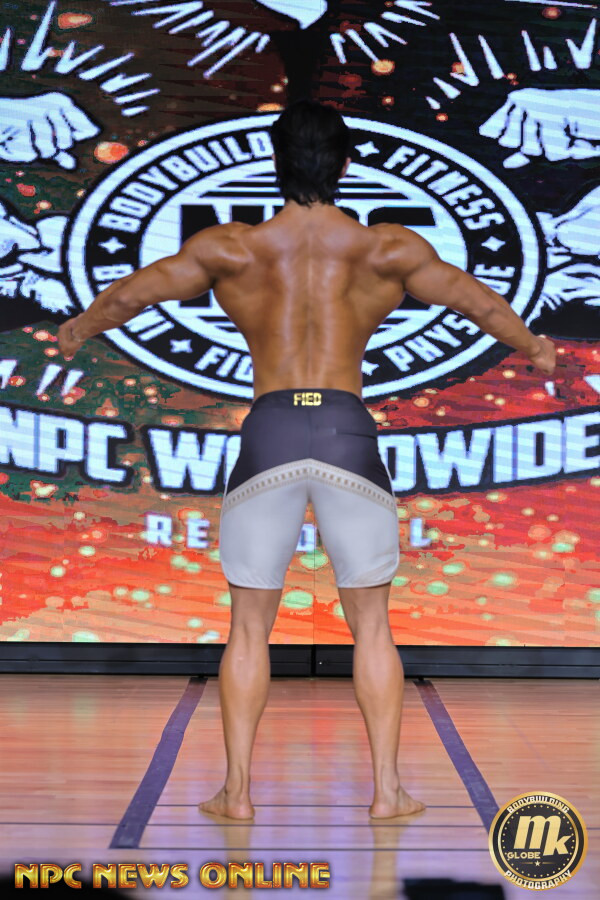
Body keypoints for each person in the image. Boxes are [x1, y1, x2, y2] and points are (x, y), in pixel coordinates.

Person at [57, 99, 556, 822]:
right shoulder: (387, 249)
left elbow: (134, 294)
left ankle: (237, 794)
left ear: (276, 161)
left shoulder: (232, 249)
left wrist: (78, 329)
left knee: (248, 627)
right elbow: (477, 304)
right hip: (348, 433)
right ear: (346, 163)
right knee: (373, 626)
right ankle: (387, 793)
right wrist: (535, 346)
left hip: (271, 434)